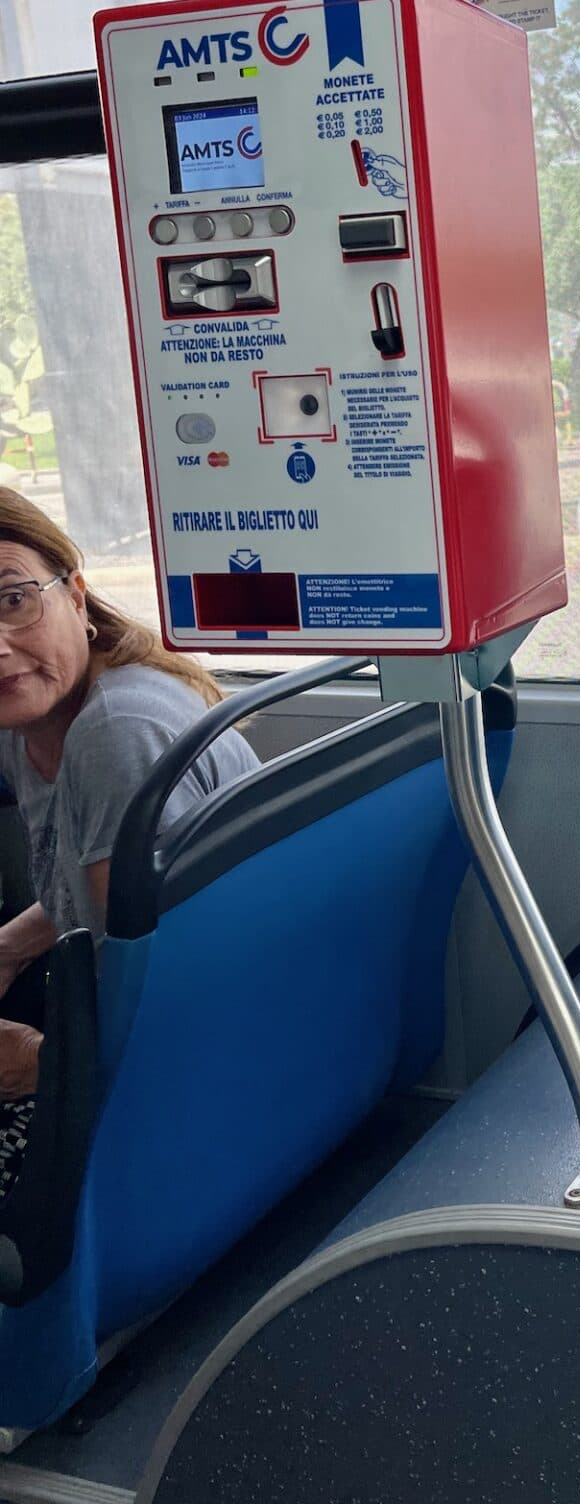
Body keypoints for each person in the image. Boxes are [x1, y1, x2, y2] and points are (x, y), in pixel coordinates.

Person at [0, 492, 258, 1192]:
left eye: (13, 600)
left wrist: (38, 1063)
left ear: (76, 597)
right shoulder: (36, 724)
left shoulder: (118, 734)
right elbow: (107, 894)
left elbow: (171, 1002)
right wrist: (12, 946)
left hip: (194, 1095)